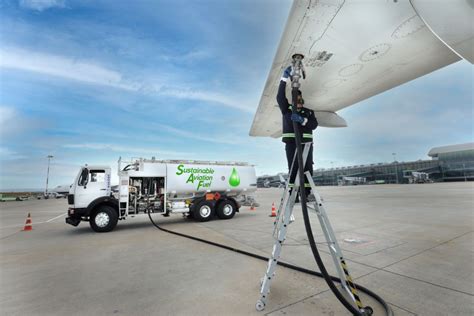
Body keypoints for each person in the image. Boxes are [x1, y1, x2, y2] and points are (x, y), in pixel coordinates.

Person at [277, 66, 318, 200]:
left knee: (307, 169)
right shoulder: (287, 110)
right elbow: (280, 97)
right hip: (291, 144)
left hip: (306, 145)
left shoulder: (308, 112)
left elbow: (314, 125)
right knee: (293, 169)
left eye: (300, 100)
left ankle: (305, 194)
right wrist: (284, 79)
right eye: (296, 101)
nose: (299, 103)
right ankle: (293, 195)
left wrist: (303, 120)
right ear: (293, 101)